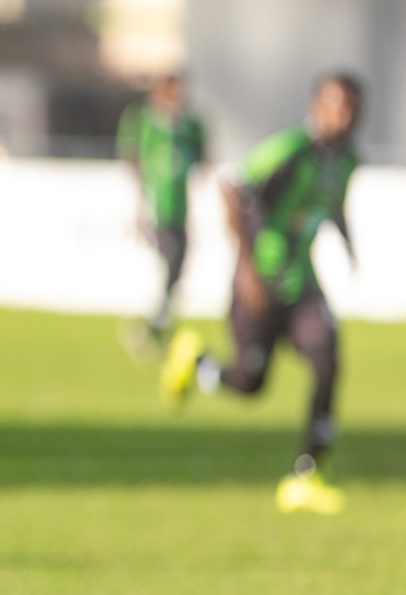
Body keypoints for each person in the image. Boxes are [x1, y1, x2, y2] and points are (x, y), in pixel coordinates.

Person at [161, 72, 362, 515]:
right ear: (315, 107)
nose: (341, 116)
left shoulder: (346, 161)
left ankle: (308, 475)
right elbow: (233, 186)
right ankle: (197, 364)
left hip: (301, 283)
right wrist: (249, 267)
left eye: (349, 108)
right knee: (250, 383)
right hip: (261, 286)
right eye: (334, 105)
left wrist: (348, 242)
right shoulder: (292, 150)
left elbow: (333, 205)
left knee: (327, 358)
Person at [116, 71, 206, 347]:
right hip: (157, 208)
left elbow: (199, 159)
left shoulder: (190, 125)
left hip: (181, 208)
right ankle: (154, 322)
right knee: (171, 258)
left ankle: (157, 323)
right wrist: (139, 205)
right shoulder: (142, 120)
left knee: (179, 266)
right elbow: (132, 158)